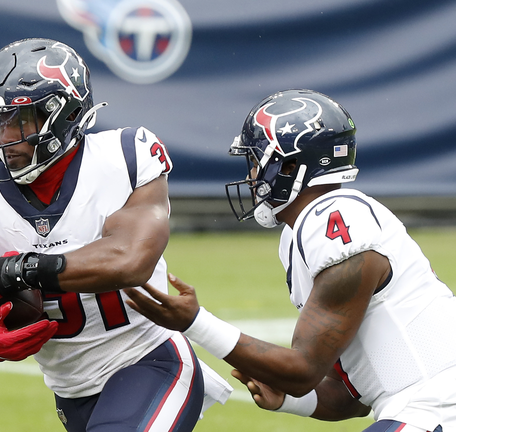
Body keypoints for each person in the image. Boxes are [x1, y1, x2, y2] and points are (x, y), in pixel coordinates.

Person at [0, 38, 232, 432]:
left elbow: (130, 260)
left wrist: (17, 270)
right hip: (69, 390)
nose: (5, 138)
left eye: (20, 121)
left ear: (66, 113)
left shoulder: (125, 159)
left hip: (148, 360)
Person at [124, 89, 456, 432]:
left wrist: (195, 322)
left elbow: (302, 370)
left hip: (441, 407)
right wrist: (290, 400)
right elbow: (355, 395)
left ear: (291, 165)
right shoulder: (309, 229)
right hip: (428, 406)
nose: (252, 177)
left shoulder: (335, 220)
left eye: (256, 163)